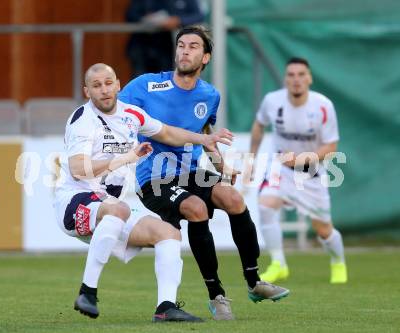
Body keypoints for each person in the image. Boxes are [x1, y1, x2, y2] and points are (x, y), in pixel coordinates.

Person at [119, 25, 290, 321]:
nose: (184, 51)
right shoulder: (146, 86)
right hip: (154, 178)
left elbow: (205, 131)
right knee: (197, 209)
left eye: (193, 46)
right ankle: (217, 296)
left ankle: (254, 281)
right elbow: (114, 114)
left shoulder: (210, 95)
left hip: (191, 173)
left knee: (233, 198)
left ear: (206, 57)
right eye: (181, 45)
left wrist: (221, 164)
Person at [54, 63, 234, 322]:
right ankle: (87, 292)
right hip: (74, 203)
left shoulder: (132, 114)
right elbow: (79, 169)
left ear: (118, 85)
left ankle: (166, 307)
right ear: (87, 91)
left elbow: (168, 133)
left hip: (107, 204)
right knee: (120, 208)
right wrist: (125, 157)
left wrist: (203, 139)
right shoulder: (83, 120)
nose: (104, 90)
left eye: (108, 83)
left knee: (168, 233)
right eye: (96, 85)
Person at [248, 57, 348, 284]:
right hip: (280, 169)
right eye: (291, 75)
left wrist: (301, 159)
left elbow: (331, 147)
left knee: (323, 229)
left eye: (301, 74)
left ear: (309, 78)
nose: (296, 80)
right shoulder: (272, 101)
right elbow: (259, 124)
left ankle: (338, 262)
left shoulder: (323, 106)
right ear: (285, 79)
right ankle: (278, 263)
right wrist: (252, 158)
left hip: (311, 174)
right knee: (265, 205)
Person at [125, 0, 204, 78]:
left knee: (165, 82)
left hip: (164, 47)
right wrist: (145, 19)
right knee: (140, 82)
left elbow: (198, 16)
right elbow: (130, 15)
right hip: (141, 46)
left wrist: (178, 20)